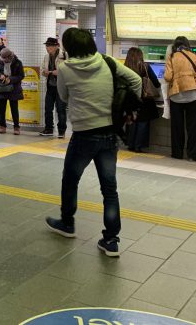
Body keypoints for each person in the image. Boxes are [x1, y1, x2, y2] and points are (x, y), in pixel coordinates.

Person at [46, 28, 141, 258]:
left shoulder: (65, 68)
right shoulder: (107, 62)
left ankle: (67, 224)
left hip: (83, 135)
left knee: (70, 181)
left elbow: (64, 96)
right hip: (109, 133)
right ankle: (111, 241)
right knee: (109, 189)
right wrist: (130, 108)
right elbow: (136, 80)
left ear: (68, 48)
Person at [163, 36, 196, 161]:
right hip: (193, 94)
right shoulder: (194, 56)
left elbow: (167, 77)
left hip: (177, 95)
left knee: (177, 127)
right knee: (194, 128)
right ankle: (193, 155)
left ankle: (177, 154)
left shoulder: (172, 57)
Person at [123, 47, 161, 152]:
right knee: (142, 122)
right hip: (144, 100)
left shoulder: (124, 68)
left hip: (130, 100)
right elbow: (156, 83)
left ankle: (130, 144)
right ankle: (139, 146)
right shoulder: (145, 67)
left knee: (132, 121)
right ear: (140, 56)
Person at [40, 37, 68, 138]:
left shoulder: (64, 55)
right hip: (50, 86)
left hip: (61, 87)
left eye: (50, 46)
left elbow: (68, 70)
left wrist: (58, 72)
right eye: (47, 46)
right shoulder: (46, 57)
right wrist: (45, 72)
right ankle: (49, 129)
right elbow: (42, 69)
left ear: (56, 46)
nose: (48, 48)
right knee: (48, 108)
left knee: (60, 110)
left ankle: (61, 131)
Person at [0, 48, 24, 135]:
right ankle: (2, 126)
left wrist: (10, 79)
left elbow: (21, 75)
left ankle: (16, 127)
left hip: (14, 88)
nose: (4, 60)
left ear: (10, 57)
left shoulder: (18, 62)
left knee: (14, 108)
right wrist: (0, 76)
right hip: (1, 88)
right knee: (1, 109)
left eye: (5, 58)